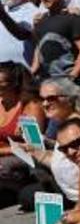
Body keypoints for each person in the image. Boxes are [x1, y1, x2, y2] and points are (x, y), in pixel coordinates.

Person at [24, 77, 80, 209]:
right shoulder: (66, 125)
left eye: (51, 98)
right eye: (42, 99)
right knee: (27, 195)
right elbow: (62, 161)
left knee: (29, 196)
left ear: (69, 99)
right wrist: (35, 151)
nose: (45, 104)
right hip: (69, 192)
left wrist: (78, 209)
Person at [0, 61, 46, 206]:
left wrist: (3, 150)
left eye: (1, 84)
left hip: (23, 156)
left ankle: (21, 187)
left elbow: (34, 145)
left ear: (14, 84)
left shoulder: (30, 106)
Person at [31, 0, 80, 81]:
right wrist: (33, 70)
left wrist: (72, 76)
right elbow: (39, 47)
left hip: (68, 83)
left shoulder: (73, 18)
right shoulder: (40, 19)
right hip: (46, 81)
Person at [0, 0, 39, 68]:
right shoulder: (4, 8)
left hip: (20, 72)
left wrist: (2, 14)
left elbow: (22, 34)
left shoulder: (33, 12)